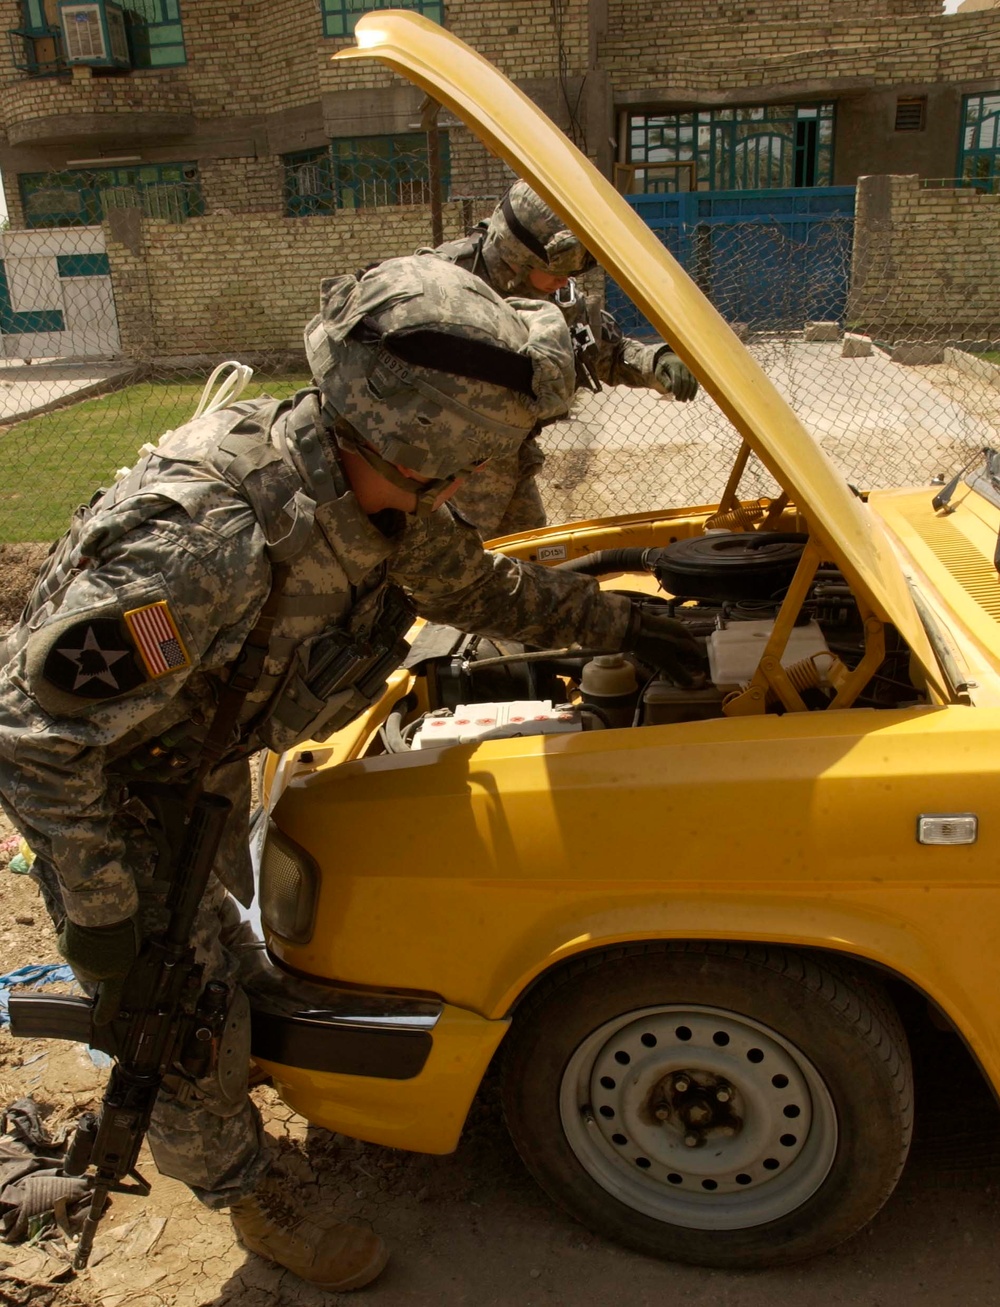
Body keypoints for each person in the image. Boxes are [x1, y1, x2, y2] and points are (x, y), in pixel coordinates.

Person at [0, 254, 700, 1293]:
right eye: (448, 475)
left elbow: (475, 586)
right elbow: (35, 736)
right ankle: (245, 1187)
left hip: (194, 765)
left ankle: (219, 1022)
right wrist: (103, 910)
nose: (460, 492)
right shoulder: (203, 544)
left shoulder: (375, 483)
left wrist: (629, 623)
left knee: (227, 950)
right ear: (398, 445)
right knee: (175, 1004)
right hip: (110, 796)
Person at [431, 180, 699, 538]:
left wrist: (655, 363)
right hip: (449, 470)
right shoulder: (446, 283)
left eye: (569, 275)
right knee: (459, 570)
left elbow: (604, 352)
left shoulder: (557, 295)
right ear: (518, 256)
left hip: (513, 457)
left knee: (531, 555)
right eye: (556, 273)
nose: (563, 282)